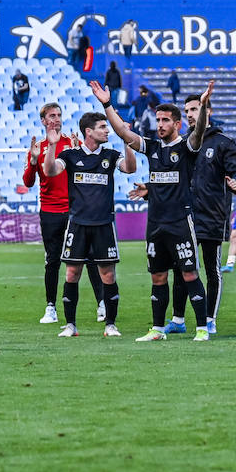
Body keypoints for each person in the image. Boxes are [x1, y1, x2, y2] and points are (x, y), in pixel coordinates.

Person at [92, 80, 212, 342]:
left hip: (181, 221)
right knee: (158, 277)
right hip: (156, 224)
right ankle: (158, 329)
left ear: (177, 124)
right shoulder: (153, 148)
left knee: (190, 273)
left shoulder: (186, 147)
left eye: (165, 120)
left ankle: (202, 328)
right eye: (158, 120)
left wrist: (202, 106)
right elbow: (124, 134)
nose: (159, 124)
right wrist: (107, 104)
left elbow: (199, 132)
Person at [40, 103, 138, 339]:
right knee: (72, 274)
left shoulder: (110, 155)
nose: (107, 131)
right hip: (77, 224)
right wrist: (52, 146)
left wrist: (126, 141)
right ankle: (71, 325)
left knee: (108, 276)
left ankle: (110, 325)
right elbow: (50, 171)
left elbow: (130, 168)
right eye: (102, 127)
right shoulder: (70, 156)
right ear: (88, 131)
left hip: (104, 224)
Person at [166, 94, 236, 336]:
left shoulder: (223, 142)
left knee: (212, 269)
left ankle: (210, 319)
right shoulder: (182, 144)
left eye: (195, 109)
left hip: (212, 215)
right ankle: (178, 319)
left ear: (207, 111)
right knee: (181, 268)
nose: (190, 114)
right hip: (184, 216)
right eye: (187, 110)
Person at [22, 103, 105, 324]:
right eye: (51, 116)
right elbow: (28, 182)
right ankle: (51, 307)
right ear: (43, 121)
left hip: (74, 211)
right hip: (49, 212)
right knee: (52, 260)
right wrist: (32, 161)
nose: (56, 119)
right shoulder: (38, 148)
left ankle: (102, 304)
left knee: (88, 257)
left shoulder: (72, 145)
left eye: (59, 115)